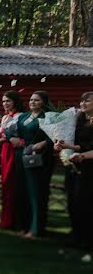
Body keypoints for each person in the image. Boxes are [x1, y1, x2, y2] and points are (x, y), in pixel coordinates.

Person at [14, 91, 55, 239]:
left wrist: (44, 143)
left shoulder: (48, 117)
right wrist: (12, 137)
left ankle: (36, 228)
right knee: (22, 192)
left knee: (36, 193)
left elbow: (56, 137)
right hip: (22, 157)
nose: (32, 102)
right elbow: (14, 131)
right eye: (31, 100)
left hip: (40, 159)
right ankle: (23, 225)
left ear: (43, 102)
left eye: (36, 100)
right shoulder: (24, 116)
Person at [55, 92, 93, 250]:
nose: (83, 103)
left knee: (86, 202)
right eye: (81, 101)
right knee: (72, 201)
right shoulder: (79, 119)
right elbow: (76, 143)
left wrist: (81, 155)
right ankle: (76, 234)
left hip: (90, 166)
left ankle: (87, 237)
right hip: (74, 163)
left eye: (87, 101)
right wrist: (61, 145)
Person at [0, 91, 27, 232]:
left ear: (15, 102)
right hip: (5, 151)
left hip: (16, 152)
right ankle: (6, 219)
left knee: (15, 185)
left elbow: (24, 136)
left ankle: (17, 220)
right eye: (4, 101)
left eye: (8, 101)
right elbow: (1, 137)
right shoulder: (5, 117)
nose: (5, 104)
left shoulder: (22, 116)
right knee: (6, 185)